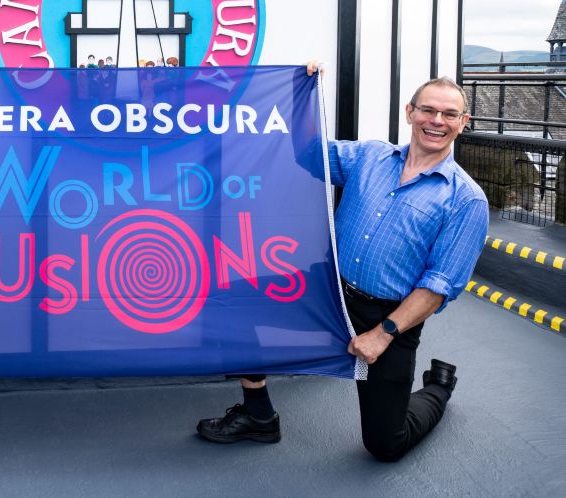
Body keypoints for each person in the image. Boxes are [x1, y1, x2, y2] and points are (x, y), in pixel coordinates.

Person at [197, 68, 489, 461]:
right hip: (329, 291)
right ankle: (259, 415)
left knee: (386, 445)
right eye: (428, 110)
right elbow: (307, 152)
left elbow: (438, 286)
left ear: (463, 122)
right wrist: (298, 89)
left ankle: (438, 386)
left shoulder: (467, 199)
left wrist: (382, 334)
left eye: (449, 114)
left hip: (389, 318)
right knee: (232, 300)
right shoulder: (370, 157)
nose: (436, 121)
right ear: (410, 112)